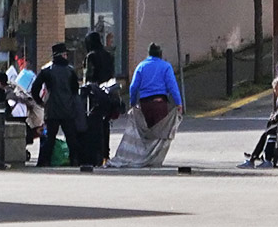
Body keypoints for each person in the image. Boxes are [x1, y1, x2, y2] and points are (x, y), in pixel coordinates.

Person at [109, 43, 183, 168]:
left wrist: (133, 103)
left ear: (148, 53)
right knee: (159, 133)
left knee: (145, 134)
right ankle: (154, 159)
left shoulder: (141, 66)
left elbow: (133, 87)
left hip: (145, 105)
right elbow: (172, 86)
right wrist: (178, 103)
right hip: (160, 103)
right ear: (160, 54)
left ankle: (143, 157)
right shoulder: (166, 66)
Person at [32, 42, 82, 167]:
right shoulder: (70, 71)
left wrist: (40, 102)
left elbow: (34, 89)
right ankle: (75, 160)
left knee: (50, 137)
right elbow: (75, 90)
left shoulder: (46, 70)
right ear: (64, 55)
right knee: (71, 137)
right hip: (68, 108)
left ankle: (45, 161)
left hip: (52, 108)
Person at [79, 31, 116, 166]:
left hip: (94, 96)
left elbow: (88, 77)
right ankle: (106, 154)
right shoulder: (108, 55)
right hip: (107, 94)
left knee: (93, 126)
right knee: (105, 125)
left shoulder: (91, 56)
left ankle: (96, 154)